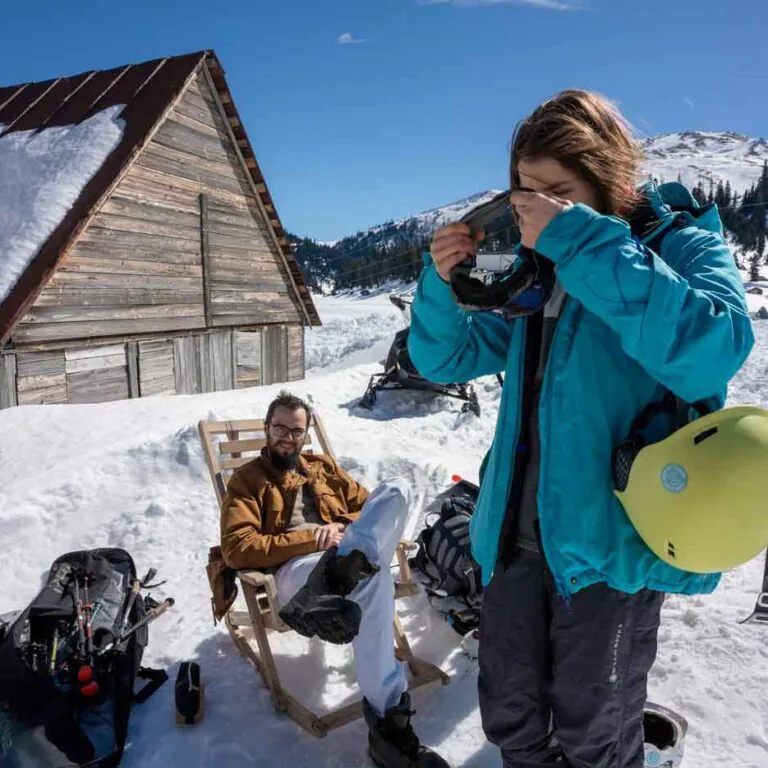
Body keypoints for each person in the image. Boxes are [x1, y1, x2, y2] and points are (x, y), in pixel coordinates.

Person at [407, 89, 754, 768]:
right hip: (514, 539)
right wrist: (442, 286)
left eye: (559, 192)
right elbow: (444, 358)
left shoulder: (679, 245)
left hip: (609, 550)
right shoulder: (536, 273)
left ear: (610, 183)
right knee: (511, 718)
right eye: (525, 190)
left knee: (594, 733)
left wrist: (582, 241)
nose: (538, 207)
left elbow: (714, 350)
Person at [219, 391, 450, 768]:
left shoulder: (322, 468)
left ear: (306, 434)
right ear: (267, 428)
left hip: (342, 556)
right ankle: (389, 730)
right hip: (295, 572)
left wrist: (341, 528)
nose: (287, 438)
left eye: (296, 431)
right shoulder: (247, 481)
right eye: (279, 429)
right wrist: (312, 538)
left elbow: (370, 508)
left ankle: (345, 570)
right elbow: (238, 548)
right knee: (373, 579)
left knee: (397, 488)